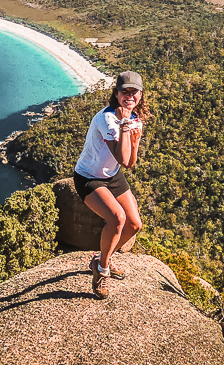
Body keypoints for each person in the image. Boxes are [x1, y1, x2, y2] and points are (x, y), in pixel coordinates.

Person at [73, 71, 150, 299]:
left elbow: (130, 162)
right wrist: (125, 126)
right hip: (89, 177)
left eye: (133, 91)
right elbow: (122, 158)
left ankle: (100, 257)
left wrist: (132, 132)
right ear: (116, 94)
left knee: (135, 224)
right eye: (124, 91)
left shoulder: (136, 119)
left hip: (113, 176)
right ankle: (102, 270)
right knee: (117, 218)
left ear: (140, 94)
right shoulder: (107, 118)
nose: (129, 95)